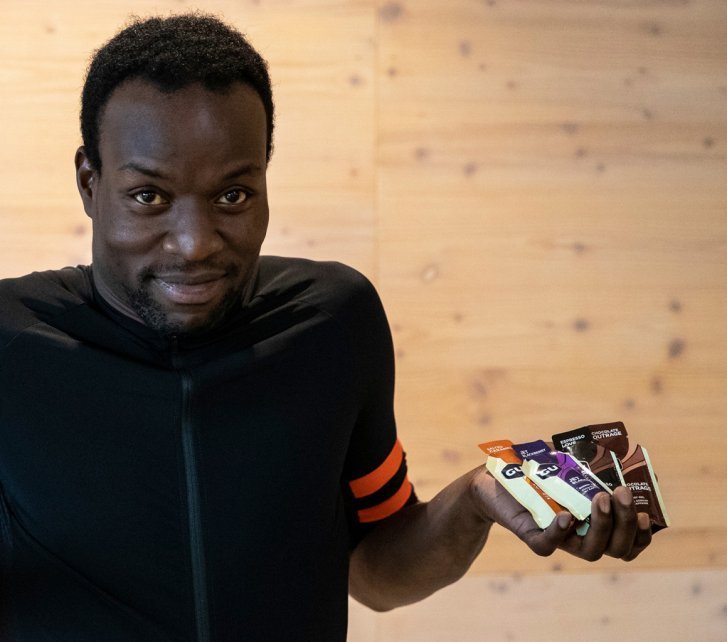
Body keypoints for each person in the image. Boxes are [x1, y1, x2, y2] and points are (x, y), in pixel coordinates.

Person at [0, 13, 652, 641]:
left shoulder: (331, 322)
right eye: (150, 197)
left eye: (233, 195)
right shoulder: (10, 343)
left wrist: (475, 500)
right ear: (90, 182)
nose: (195, 243)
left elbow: (377, 576)